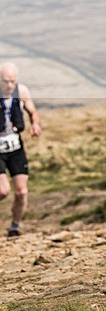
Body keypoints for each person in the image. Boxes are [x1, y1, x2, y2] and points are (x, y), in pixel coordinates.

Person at [0, 62, 42, 237]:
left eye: (12, 81)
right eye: (5, 81)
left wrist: (35, 124)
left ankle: (15, 226)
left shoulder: (21, 91)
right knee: (2, 190)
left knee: (22, 191)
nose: (10, 85)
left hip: (15, 147)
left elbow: (32, 110)